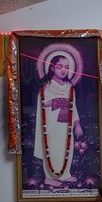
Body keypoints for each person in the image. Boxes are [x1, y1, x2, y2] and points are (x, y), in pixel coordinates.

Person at [34, 54, 83, 187]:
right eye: (60, 66)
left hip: (65, 126)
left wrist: (77, 124)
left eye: (66, 67)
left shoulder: (69, 86)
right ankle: (49, 178)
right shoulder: (47, 86)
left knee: (66, 148)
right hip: (51, 125)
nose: (63, 70)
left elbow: (73, 106)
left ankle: (65, 175)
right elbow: (45, 104)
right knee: (52, 149)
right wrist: (61, 101)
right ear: (52, 68)